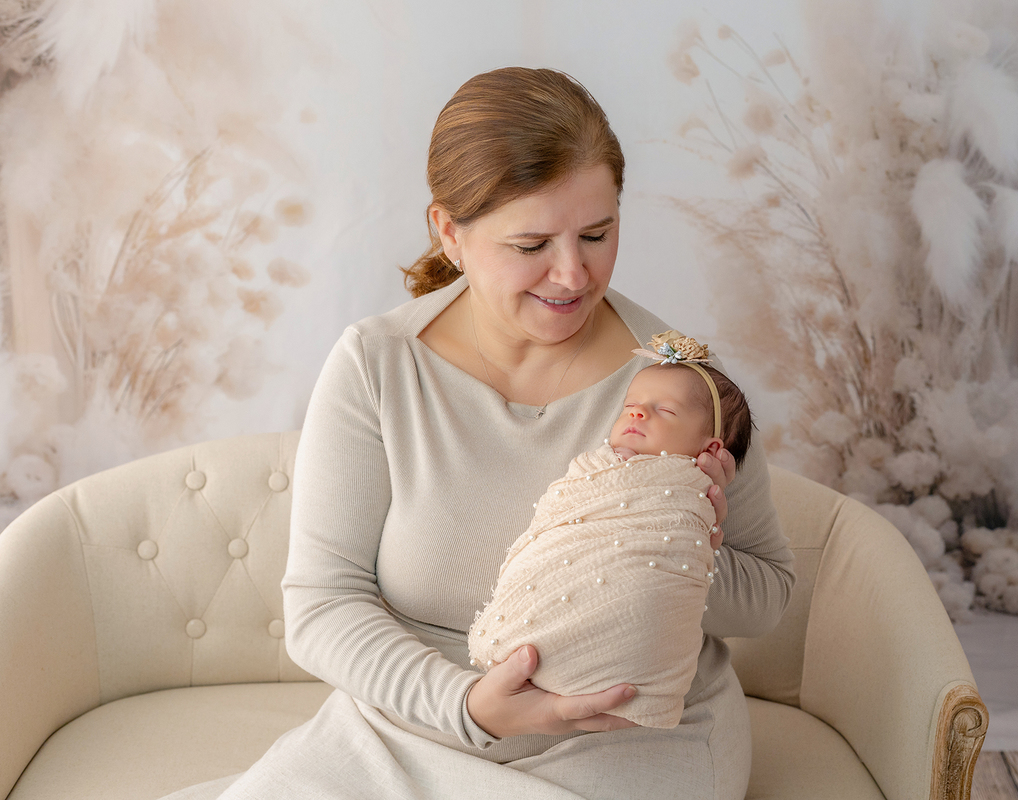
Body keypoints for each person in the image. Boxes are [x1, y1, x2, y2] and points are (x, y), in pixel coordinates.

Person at [167, 66, 794, 800]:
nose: (573, 274)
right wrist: (464, 708)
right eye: (531, 245)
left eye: (597, 234)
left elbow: (769, 596)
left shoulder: (676, 383)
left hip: (621, 732)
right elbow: (323, 604)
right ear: (449, 232)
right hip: (412, 724)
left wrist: (681, 545)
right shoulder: (379, 364)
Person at [468, 342, 756, 730]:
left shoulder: (695, 490)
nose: (637, 412)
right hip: (489, 701)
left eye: (665, 411)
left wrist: (702, 534)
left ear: (712, 448)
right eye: (630, 405)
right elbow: (559, 518)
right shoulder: (595, 467)